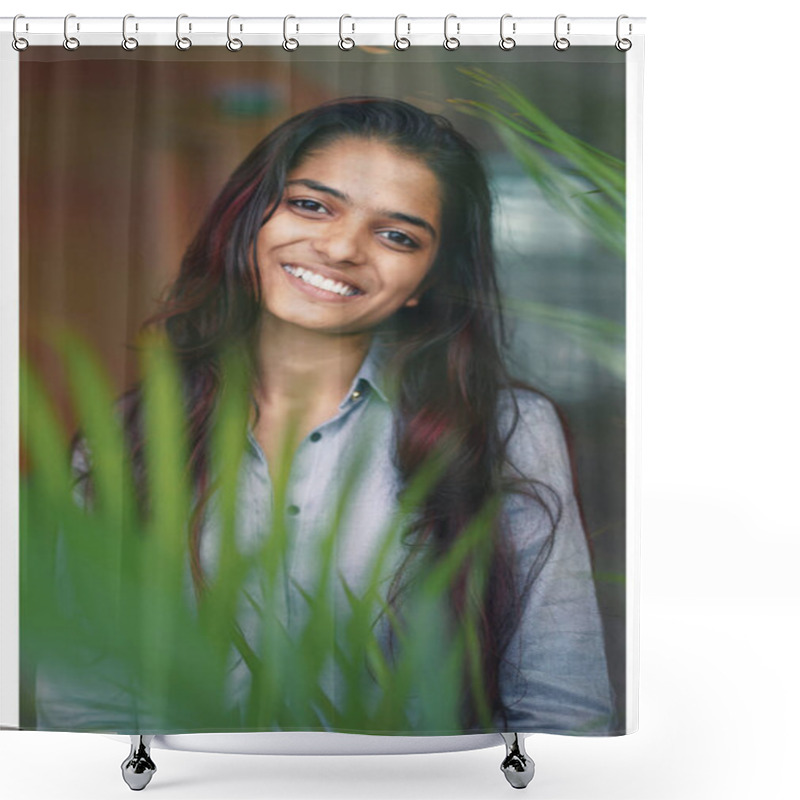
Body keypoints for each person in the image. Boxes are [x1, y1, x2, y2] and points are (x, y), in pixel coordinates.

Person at [37, 96, 616, 735]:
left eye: (397, 235)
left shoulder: (506, 432)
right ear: (250, 219)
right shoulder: (130, 440)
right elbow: (87, 707)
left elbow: (563, 713)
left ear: (425, 279)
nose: (341, 247)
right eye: (311, 204)